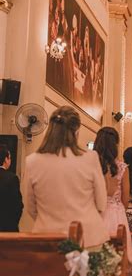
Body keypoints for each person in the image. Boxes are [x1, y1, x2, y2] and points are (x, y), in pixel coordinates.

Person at [25, 106, 109, 248]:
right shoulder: (90, 158)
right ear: (76, 131)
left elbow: (30, 207)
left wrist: (50, 221)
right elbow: (101, 202)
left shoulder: (32, 161)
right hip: (87, 238)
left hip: (48, 239)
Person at [94, 127, 132, 261]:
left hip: (96, 214)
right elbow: (126, 199)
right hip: (117, 215)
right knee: (119, 256)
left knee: (96, 255)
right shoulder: (122, 168)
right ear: (115, 145)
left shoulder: (91, 165)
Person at [0, 145, 23, 232]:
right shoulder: (12, 178)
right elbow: (18, 206)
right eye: (9, 158)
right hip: (7, 228)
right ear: (6, 159)